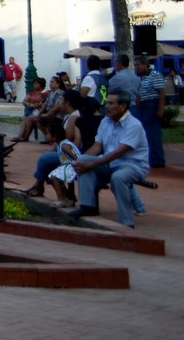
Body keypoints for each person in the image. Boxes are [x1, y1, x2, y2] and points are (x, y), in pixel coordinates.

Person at [70, 91, 153, 227]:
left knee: (118, 178)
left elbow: (118, 153)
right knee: (83, 160)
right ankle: (88, 207)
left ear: (122, 106)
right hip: (110, 163)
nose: (106, 106)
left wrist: (92, 165)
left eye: (111, 103)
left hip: (132, 165)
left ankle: (127, 222)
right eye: (106, 103)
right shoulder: (105, 121)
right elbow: (97, 147)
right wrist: (80, 161)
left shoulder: (134, 125)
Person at [133, 55, 166, 169]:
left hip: (152, 104)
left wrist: (160, 109)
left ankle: (158, 160)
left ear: (145, 64)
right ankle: (150, 158)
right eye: (136, 65)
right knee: (145, 133)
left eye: (139, 65)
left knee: (153, 133)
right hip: (142, 105)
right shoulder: (139, 77)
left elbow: (161, 93)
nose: (137, 67)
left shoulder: (155, 75)